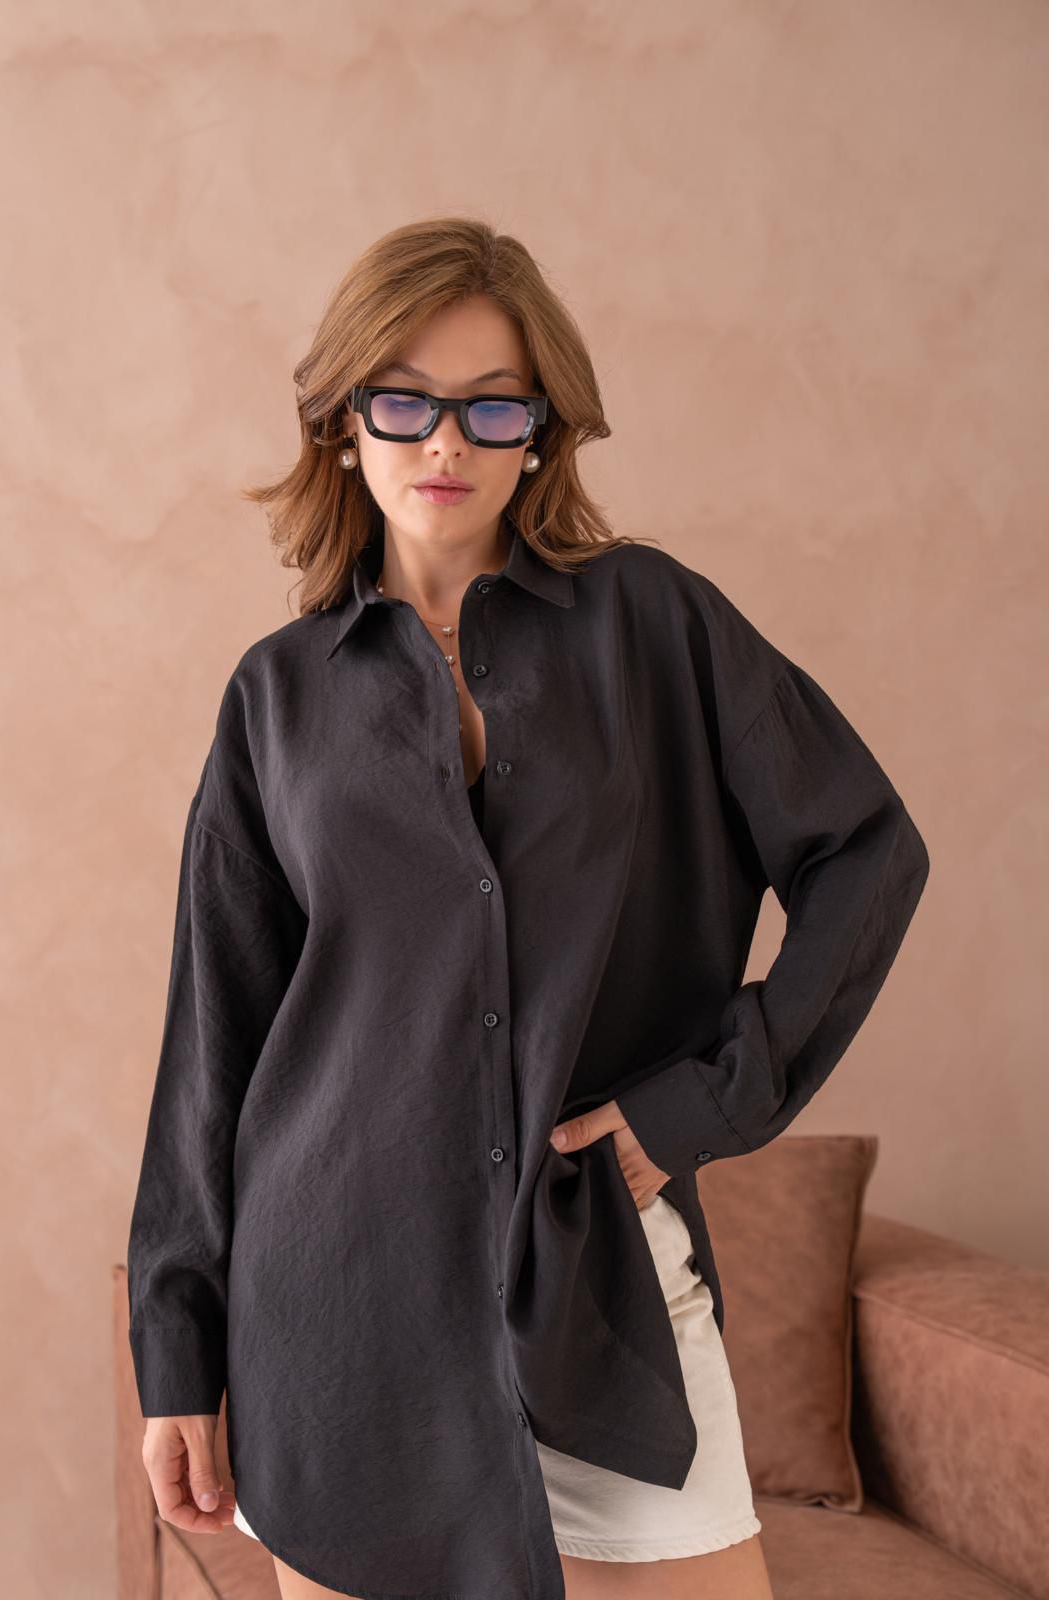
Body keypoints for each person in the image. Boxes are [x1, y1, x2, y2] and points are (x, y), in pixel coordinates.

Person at [127, 217, 929, 1600]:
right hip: (338, 1305)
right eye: (405, 402)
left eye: (491, 406)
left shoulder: (656, 624)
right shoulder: (276, 699)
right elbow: (216, 1041)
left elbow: (867, 853)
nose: (446, 443)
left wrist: (695, 1106)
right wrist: (176, 1353)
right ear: (344, 425)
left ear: (539, 434)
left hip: (594, 1276)